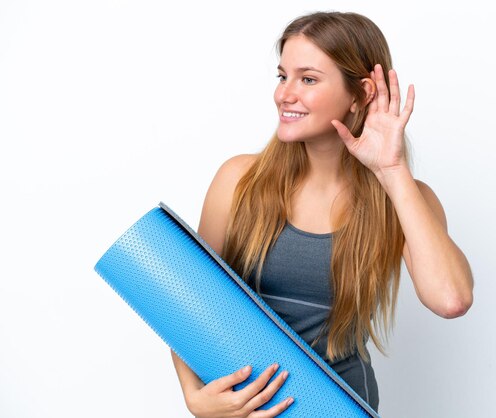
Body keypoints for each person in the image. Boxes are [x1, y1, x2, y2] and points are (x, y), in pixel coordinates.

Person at [171, 10, 474, 417]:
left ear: (361, 93)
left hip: (338, 407)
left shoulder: (405, 199)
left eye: (308, 79)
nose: (284, 94)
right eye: (283, 76)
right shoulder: (238, 180)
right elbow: (187, 297)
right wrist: (195, 397)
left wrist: (392, 171)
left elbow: (451, 299)